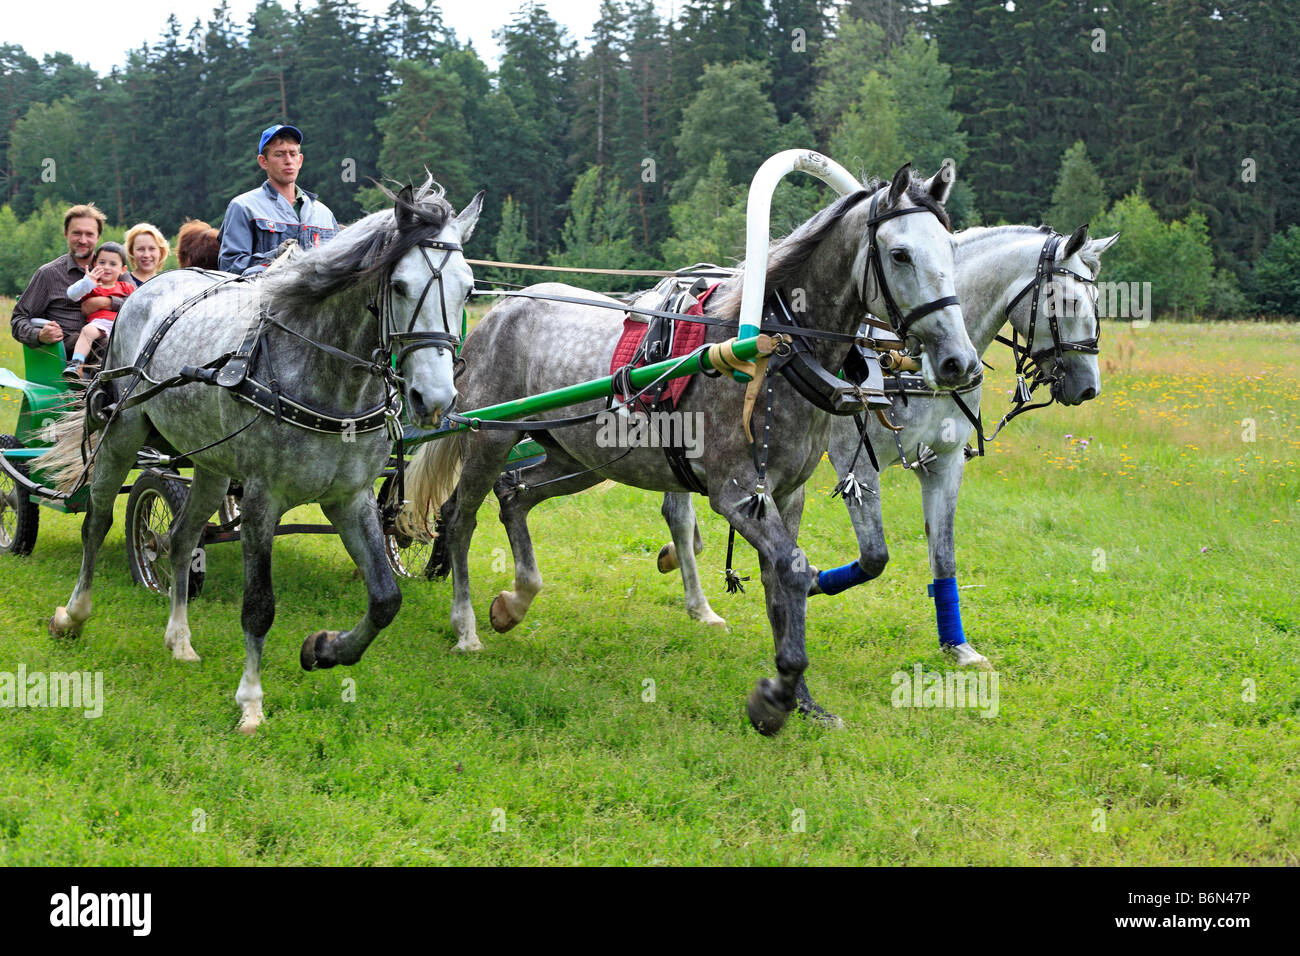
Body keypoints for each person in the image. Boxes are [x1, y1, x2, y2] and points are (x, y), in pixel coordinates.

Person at [217, 124, 338, 276]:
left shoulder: (324, 214)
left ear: (300, 160)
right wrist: (276, 256)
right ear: (263, 161)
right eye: (279, 154)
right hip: (266, 298)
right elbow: (230, 268)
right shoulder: (244, 207)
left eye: (293, 154)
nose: (288, 161)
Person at [10, 203, 118, 349]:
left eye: (89, 234)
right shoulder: (48, 274)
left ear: (98, 237)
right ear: (66, 234)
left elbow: (136, 305)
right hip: (69, 356)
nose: (83, 240)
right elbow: (18, 319)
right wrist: (39, 335)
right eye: (77, 233)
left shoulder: (113, 269)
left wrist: (107, 302)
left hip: (117, 347)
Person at [61, 241, 133, 384]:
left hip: (120, 324)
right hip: (99, 324)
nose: (106, 267)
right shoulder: (92, 286)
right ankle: (77, 364)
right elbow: (72, 294)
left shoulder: (126, 287)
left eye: (113, 264)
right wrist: (87, 282)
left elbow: (137, 304)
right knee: (87, 331)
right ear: (94, 264)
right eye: (102, 262)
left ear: (123, 269)